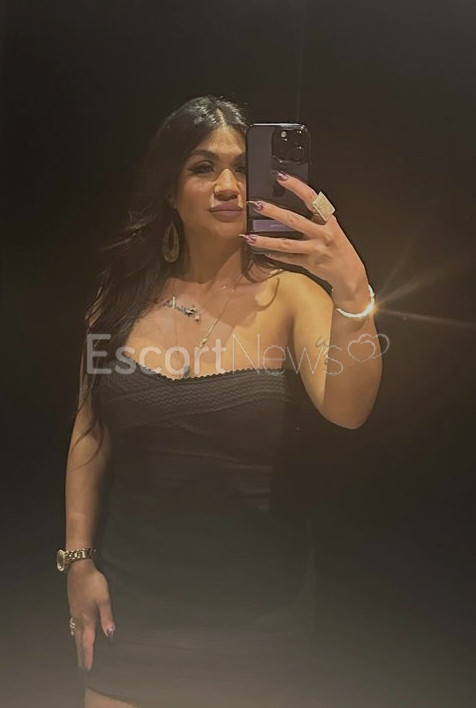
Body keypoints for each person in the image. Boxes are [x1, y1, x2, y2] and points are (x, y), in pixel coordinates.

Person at [59, 94, 382, 708]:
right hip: (130, 608)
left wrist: (353, 289)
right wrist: (79, 561)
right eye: (203, 167)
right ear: (169, 187)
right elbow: (90, 430)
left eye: (242, 169)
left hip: (259, 617)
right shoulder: (119, 297)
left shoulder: (293, 297)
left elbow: (348, 407)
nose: (228, 186)